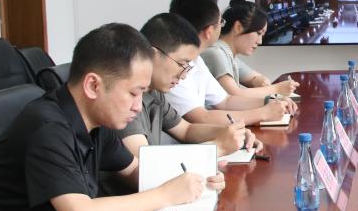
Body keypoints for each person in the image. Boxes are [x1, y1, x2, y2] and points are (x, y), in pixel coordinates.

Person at [0, 23, 226, 211]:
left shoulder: (95, 122)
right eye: (133, 93)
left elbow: (135, 171)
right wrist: (165, 194)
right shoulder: (47, 128)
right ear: (92, 85)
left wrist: (196, 179)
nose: (138, 107)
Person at [112, 13, 261, 181]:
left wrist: (229, 133)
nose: (183, 76)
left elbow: (186, 130)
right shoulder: (127, 102)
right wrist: (218, 147)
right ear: (152, 55)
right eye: (182, 64)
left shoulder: (155, 92)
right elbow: (146, 169)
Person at [167, 0, 293, 126]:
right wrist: (264, 112)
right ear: (209, 31)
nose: (260, 41)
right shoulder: (175, 66)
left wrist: (268, 102)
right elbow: (202, 118)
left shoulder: (197, 61)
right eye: (221, 22)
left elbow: (226, 101)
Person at [203, 0, 300, 100]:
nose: (260, 41)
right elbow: (234, 96)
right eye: (258, 33)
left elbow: (255, 77)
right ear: (238, 27)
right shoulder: (216, 54)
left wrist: (257, 81)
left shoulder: (229, 55)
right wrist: (277, 89)